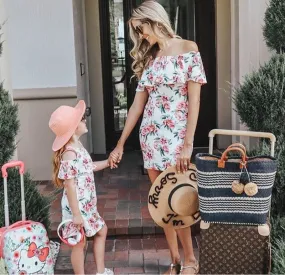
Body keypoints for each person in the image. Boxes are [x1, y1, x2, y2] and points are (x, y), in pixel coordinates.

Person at [108, 1, 207, 274]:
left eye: (142, 29)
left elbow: (195, 102)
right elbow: (137, 106)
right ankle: (174, 260)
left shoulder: (189, 49)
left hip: (176, 139)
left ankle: (191, 260)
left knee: (179, 201)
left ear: (155, 20)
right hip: (150, 139)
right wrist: (119, 144)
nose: (141, 36)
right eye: (137, 32)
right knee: (162, 204)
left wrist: (188, 145)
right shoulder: (151, 58)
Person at [49, 100, 115, 275]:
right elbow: (69, 186)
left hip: (87, 206)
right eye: (82, 119)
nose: (85, 121)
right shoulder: (69, 153)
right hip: (76, 208)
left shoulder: (78, 148)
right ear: (74, 127)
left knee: (101, 231)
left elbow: (89, 167)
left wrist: (108, 162)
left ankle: (100, 272)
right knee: (79, 243)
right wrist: (76, 215)